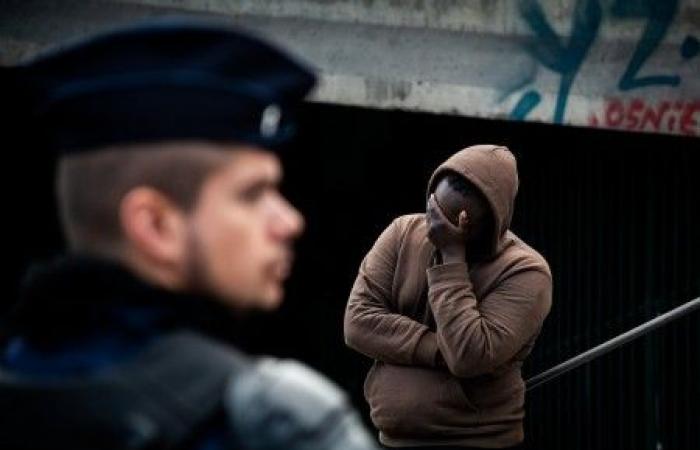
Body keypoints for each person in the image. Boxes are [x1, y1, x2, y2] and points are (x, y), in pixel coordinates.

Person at [0, 18, 379, 450]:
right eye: (253, 194)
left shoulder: (17, 379)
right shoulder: (274, 420)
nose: (290, 221)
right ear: (156, 226)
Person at [344, 145, 552, 449]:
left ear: (489, 222)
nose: (433, 228)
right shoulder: (402, 232)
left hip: (477, 441)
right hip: (392, 440)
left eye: (448, 224)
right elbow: (357, 323)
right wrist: (443, 350)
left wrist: (451, 255)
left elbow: (468, 357)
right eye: (433, 210)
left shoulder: (526, 272)